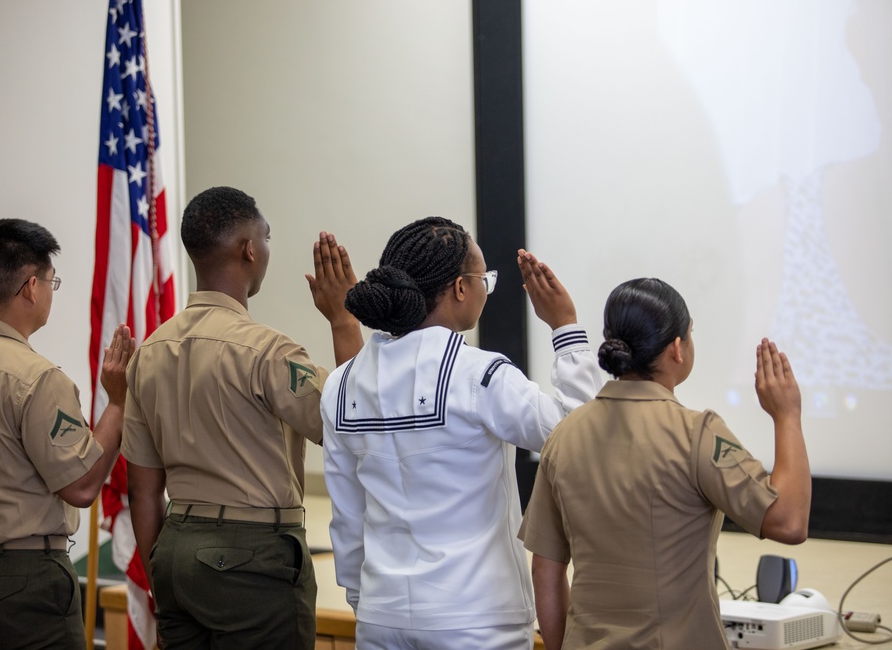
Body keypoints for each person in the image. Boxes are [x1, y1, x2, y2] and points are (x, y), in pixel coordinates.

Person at [321, 216, 603, 650]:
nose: (485, 290)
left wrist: (368, 602)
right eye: (483, 279)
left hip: (381, 614)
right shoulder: (481, 375)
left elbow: (347, 515)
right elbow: (583, 439)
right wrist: (565, 328)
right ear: (459, 288)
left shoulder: (340, 385)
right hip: (475, 617)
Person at [122, 185, 363, 649]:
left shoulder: (148, 354)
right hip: (252, 561)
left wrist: (162, 576)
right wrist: (343, 319)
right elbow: (351, 421)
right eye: (267, 239)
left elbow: (143, 489)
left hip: (175, 552)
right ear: (249, 249)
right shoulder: (269, 352)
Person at [521, 278, 811, 649]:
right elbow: (789, 522)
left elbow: (545, 569)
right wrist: (787, 416)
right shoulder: (695, 433)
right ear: (678, 348)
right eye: (690, 335)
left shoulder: (563, 436)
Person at [0, 218, 135, 649]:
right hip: (26, 585)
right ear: (32, 287)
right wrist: (119, 401)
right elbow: (83, 486)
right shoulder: (37, 379)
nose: (51, 292)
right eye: (53, 282)